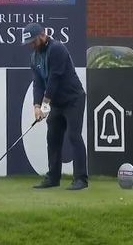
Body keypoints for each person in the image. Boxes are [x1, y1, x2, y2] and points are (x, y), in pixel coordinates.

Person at [22, 23, 88, 190]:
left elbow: (54, 78)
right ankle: (53, 177)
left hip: (73, 99)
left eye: (33, 41)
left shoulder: (57, 49)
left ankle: (81, 179)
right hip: (57, 103)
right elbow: (38, 83)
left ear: (42, 36)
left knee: (74, 136)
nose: (31, 45)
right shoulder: (34, 57)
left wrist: (45, 105)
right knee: (53, 138)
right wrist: (36, 106)